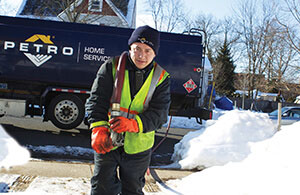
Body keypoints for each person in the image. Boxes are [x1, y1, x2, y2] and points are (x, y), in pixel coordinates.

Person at [85, 25, 171, 195]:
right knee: (102, 187)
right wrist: (98, 128)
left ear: (155, 53)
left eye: (147, 50)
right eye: (137, 48)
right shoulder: (111, 67)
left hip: (138, 149)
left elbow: (160, 114)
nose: (141, 55)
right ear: (130, 47)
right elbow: (97, 100)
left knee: (132, 190)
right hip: (108, 141)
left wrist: (133, 124)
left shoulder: (162, 78)